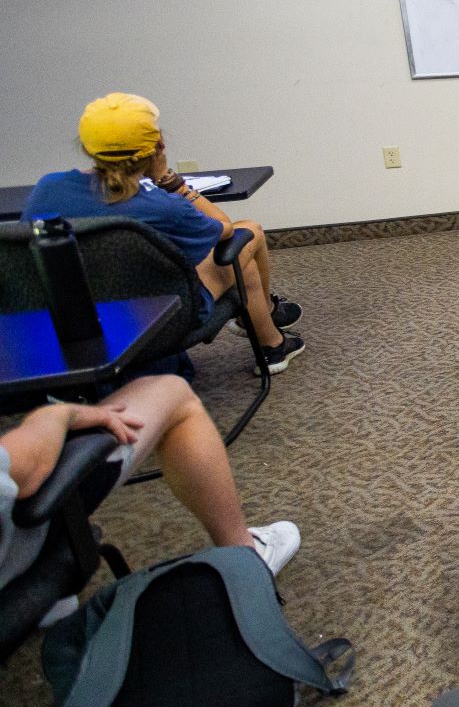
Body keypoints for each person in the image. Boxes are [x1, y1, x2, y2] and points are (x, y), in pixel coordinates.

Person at [25, 93, 305, 373]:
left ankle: (271, 339)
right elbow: (225, 228)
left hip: (68, 316)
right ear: (157, 146)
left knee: (243, 267)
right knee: (248, 234)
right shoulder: (163, 206)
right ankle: (268, 328)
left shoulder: (47, 188)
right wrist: (170, 181)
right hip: (162, 314)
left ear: (87, 146)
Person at [2, 375, 301, 625]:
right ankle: (245, 558)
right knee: (173, 392)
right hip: (15, 539)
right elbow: (27, 470)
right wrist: (53, 416)